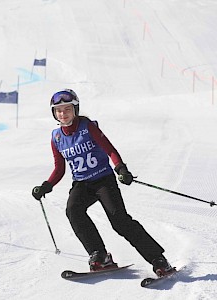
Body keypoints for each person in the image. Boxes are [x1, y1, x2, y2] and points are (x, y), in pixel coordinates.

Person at [32, 89, 174, 277]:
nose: (63, 114)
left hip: (103, 180)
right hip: (82, 184)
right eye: (58, 110)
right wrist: (46, 186)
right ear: (54, 113)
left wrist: (121, 169)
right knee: (73, 210)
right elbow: (59, 168)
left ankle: (158, 260)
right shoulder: (56, 137)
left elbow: (109, 149)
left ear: (75, 109)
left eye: (67, 109)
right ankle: (99, 255)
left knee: (119, 221)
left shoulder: (87, 126)